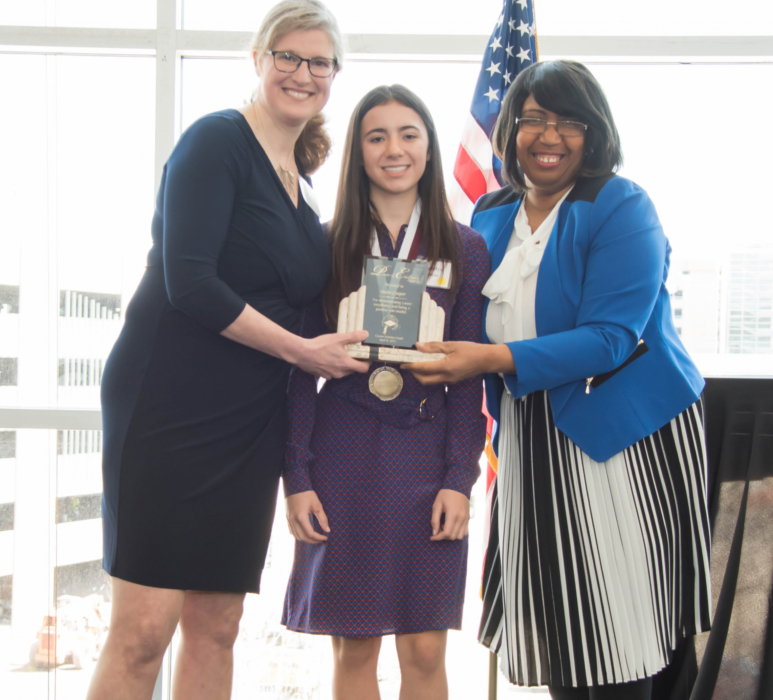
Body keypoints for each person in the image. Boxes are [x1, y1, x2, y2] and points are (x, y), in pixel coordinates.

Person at [406, 60, 711, 700]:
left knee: (621, 626)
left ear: (593, 131)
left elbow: (610, 338)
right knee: (558, 619)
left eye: (569, 121)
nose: (549, 135)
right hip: (528, 434)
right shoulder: (491, 212)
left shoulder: (620, 204)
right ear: (510, 130)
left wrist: (487, 359)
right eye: (534, 118)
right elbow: (451, 301)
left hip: (620, 433)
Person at [87, 3, 368, 699]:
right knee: (144, 630)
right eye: (288, 56)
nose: (302, 73)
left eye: (319, 62)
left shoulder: (301, 181)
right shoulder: (216, 141)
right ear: (258, 58)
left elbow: (306, 297)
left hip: (249, 420)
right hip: (169, 406)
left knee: (217, 625)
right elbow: (190, 284)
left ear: (335, 74)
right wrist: (303, 353)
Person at [281, 85, 490, 700]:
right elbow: (298, 371)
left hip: (427, 456)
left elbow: (467, 376)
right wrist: (297, 477)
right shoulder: (323, 244)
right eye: (377, 136)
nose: (394, 149)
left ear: (428, 148)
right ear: (358, 151)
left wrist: (459, 478)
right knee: (355, 646)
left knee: (425, 648)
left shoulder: (464, 247)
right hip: (341, 456)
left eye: (408, 135)